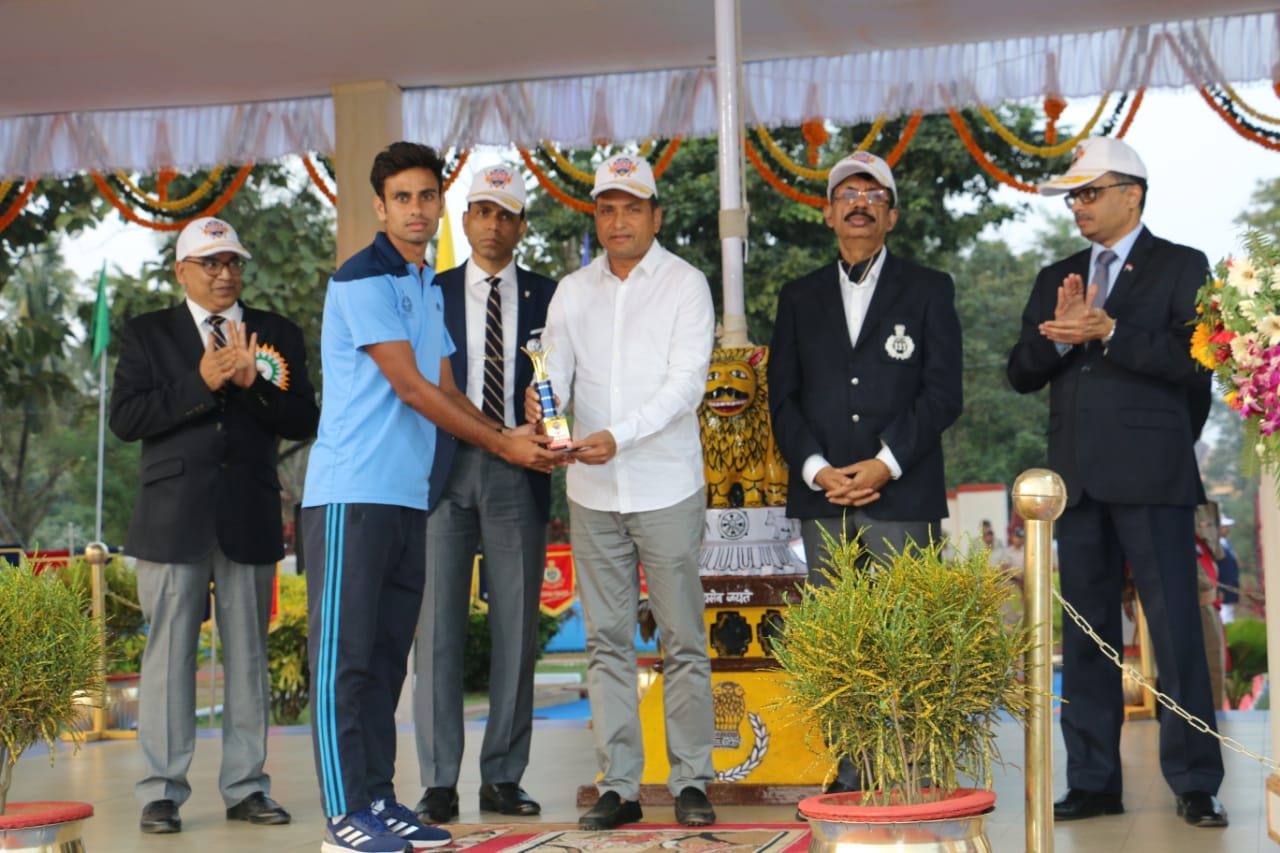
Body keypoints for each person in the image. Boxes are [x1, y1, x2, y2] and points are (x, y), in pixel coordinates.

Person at [300, 142, 564, 853]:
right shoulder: (362, 278)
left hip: (407, 497)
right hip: (350, 494)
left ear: (438, 205)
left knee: (388, 658)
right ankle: (342, 815)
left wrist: (509, 434)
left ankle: (379, 800)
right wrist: (504, 446)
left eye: (426, 196)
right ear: (380, 206)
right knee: (344, 661)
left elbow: (448, 388)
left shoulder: (423, 284)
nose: (416, 209)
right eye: (403, 198)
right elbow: (413, 389)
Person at [1006, 136, 1227, 827]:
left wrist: (1111, 331)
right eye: (1073, 196)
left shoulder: (1182, 265)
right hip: (1076, 482)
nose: (1078, 206)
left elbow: (1198, 365)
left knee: (1176, 632)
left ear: (1132, 195)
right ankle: (1094, 780)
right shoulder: (1058, 275)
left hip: (1154, 476)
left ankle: (1196, 781)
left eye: (1090, 192)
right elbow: (1020, 371)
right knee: (1085, 637)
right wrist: (1061, 335)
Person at [525, 153, 717, 830]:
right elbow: (555, 371)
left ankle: (691, 780)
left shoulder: (686, 284)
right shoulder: (573, 290)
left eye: (631, 208)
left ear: (655, 216)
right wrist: (543, 405)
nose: (618, 221)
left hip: (666, 485)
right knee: (606, 641)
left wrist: (618, 435)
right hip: (591, 488)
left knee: (682, 638)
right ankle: (620, 786)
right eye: (606, 209)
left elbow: (686, 385)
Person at [109, 216, 318, 834]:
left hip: (249, 512)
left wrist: (254, 384)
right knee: (168, 658)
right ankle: (161, 792)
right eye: (210, 263)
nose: (224, 274)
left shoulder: (276, 333)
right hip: (171, 517)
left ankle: (247, 787)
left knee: (248, 656)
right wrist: (198, 383)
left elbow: (304, 419)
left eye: (232, 263)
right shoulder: (148, 334)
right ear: (182, 271)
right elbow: (126, 420)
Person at [766, 150, 963, 791]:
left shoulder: (929, 288)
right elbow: (782, 398)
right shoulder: (798, 297)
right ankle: (850, 769)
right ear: (828, 214)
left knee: (910, 635)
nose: (859, 204)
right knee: (840, 640)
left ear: (892, 216)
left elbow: (944, 393)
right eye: (847, 195)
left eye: (874, 196)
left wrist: (884, 464)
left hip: (902, 493)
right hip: (823, 497)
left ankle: (916, 768)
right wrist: (817, 469)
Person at [412, 165, 556, 823]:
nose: (493, 224)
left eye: (506, 214)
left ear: (521, 226)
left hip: (519, 470)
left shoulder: (552, 296)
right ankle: (438, 780)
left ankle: (502, 775)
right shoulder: (430, 290)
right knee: (437, 630)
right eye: (482, 211)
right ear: (464, 219)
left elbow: (567, 381)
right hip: (442, 469)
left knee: (515, 630)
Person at [1217, 515, 1240, 624]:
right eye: (1224, 526)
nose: (1227, 529)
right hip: (1223, 588)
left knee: (1229, 615)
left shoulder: (1226, 544)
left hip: (1229, 586)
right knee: (1224, 617)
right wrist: (1219, 589)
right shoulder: (1217, 546)